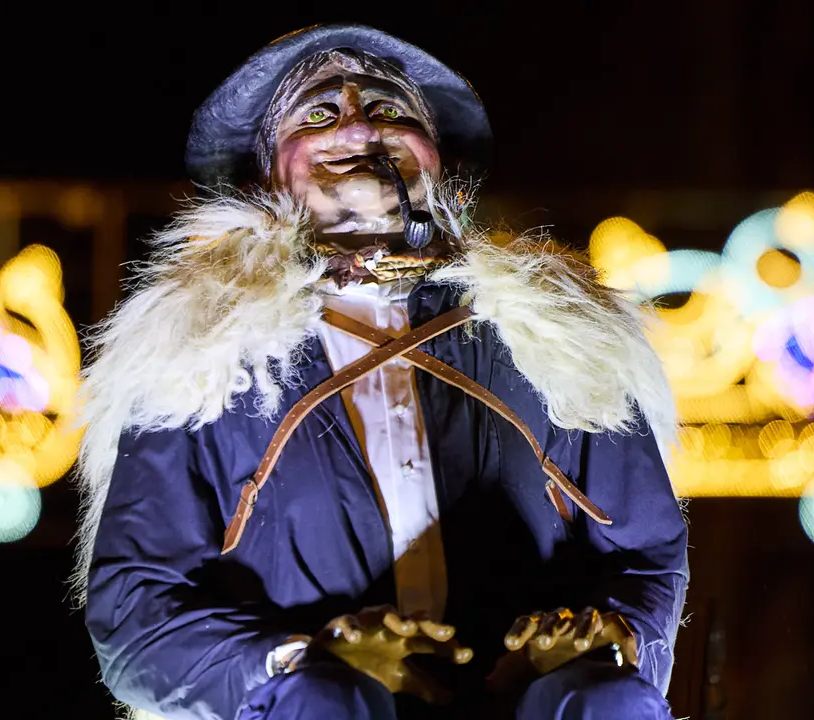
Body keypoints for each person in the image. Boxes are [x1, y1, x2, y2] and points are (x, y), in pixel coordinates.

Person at [75, 24, 688, 720]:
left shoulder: (561, 333)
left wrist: (607, 642)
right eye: (318, 115)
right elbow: (136, 616)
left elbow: (645, 554)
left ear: (440, 163)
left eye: (391, 111)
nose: (360, 126)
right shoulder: (197, 351)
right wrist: (307, 664)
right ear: (267, 172)